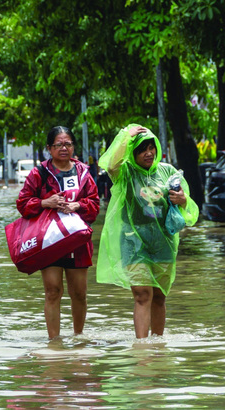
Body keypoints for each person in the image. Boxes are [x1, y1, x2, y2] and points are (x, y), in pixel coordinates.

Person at [96, 124, 199, 339]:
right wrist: (126, 136)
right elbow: (111, 165)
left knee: (159, 297)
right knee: (143, 295)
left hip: (163, 244)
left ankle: (158, 345)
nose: (149, 152)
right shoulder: (125, 173)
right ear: (133, 152)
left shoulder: (168, 171)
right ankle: (142, 348)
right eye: (143, 148)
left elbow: (186, 204)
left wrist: (183, 200)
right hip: (133, 243)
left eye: (152, 147)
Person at [16, 126, 100, 339]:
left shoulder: (84, 172)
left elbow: (94, 204)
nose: (64, 148)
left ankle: (78, 338)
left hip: (78, 241)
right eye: (59, 144)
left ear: (73, 146)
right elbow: (23, 203)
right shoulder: (39, 173)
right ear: (49, 148)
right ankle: (54, 342)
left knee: (79, 294)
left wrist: (77, 206)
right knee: (53, 291)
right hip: (50, 241)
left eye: (68, 144)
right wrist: (45, 202)